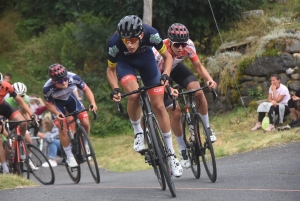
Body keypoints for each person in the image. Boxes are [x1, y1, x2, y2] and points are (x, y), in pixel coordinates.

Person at [107, 15, 183, 177]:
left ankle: (171, 154)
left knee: (159, 105)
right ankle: (138, 132)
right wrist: (115, 88)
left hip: (146, 60)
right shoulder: (114, 43)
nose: (129, 44)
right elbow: (111, 70)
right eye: (125, 40)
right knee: (134, 95)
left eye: (133, 39)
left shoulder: (151, 33)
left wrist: (166, 75)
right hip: (124, 64)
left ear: (141, 35)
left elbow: (168, 57)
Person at [152, 23, 217, 168]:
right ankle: (182, 150)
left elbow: (198, 66)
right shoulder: (158, 52)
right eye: (177, 45)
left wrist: (209, 79)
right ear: (169, 42)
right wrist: (168, 88)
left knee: (198, 92)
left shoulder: (189, 45)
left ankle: (206, 128)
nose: (181, 48)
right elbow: (157, 77)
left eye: (183, 44)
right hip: (158, 75)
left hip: (175, 68)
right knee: (175, 112)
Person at [43, 64, 97, 168]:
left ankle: (85, 144)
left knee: (85, 122)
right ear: (53, 81)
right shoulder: (47, 88)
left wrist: (93, 103)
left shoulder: (73, 77)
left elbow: (86, 89)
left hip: (71, 100)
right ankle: (69, 156)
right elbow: (48, 104)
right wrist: (57, 113)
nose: (64, 82)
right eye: (59, 81)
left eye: (65, 79)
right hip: (57, 105)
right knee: (62, 127)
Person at [0, 73, 35, 173]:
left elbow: (20, 101)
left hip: (2, 105)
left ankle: (20, 143)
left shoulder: (7, 86)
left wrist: (31, 114)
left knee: (23, 123)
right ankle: (4, 167)